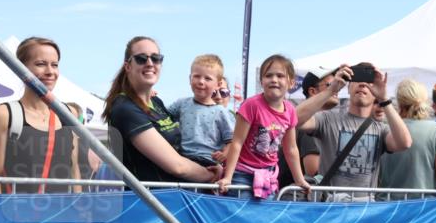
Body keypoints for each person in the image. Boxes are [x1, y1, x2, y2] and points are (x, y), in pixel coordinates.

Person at [103, 37, 219, 186]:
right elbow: (177, 167)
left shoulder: (156, 102)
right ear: (128, 66)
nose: (150, 63)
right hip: (150, 202)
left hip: (173, 198)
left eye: (156, 58)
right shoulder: (124, 107)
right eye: (141, 58)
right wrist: (212, 175)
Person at [295, 62, 412, 201]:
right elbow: (293, 119)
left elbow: (405, 143)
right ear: (348, 87)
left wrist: (384, 99)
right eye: (357, 79)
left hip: (364, 208)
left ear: (374, 93)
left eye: (369, 82)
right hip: (331, 206)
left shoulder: (381, 128)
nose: (363, 84)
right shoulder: (327, 118)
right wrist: (330, 90)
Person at [0, 37, 80, 194]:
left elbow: (75, 172)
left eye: (54, 65)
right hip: (15, 215)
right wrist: (0, 218)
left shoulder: (69, 114)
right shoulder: (3, 115)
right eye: (41, 64)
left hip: (62, 214)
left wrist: (80, 210)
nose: (50, 72)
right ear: (20, 68)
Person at [218, 54, 309, 200]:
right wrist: (228, 177)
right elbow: (237, 142)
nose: (274, 79)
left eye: (280, 76)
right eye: (269, 75)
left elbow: (291, 148)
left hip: (269, 174)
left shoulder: (290, 110)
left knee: (265, 216)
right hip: (243, 173)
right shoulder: (251, 105)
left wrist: (299, 179)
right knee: (245, 216)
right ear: (261, 81)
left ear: (291, 83)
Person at [168, 54, 234, 168]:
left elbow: (232, 140)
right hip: (182, 158)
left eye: (207, 78)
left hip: (208, 162)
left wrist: (225, 154)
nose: (201, 81)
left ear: (217, 85)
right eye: (197, 76)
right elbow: (161, 117)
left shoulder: (221, 112)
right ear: (190, 79)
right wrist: (151, 97)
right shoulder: (182, 103)